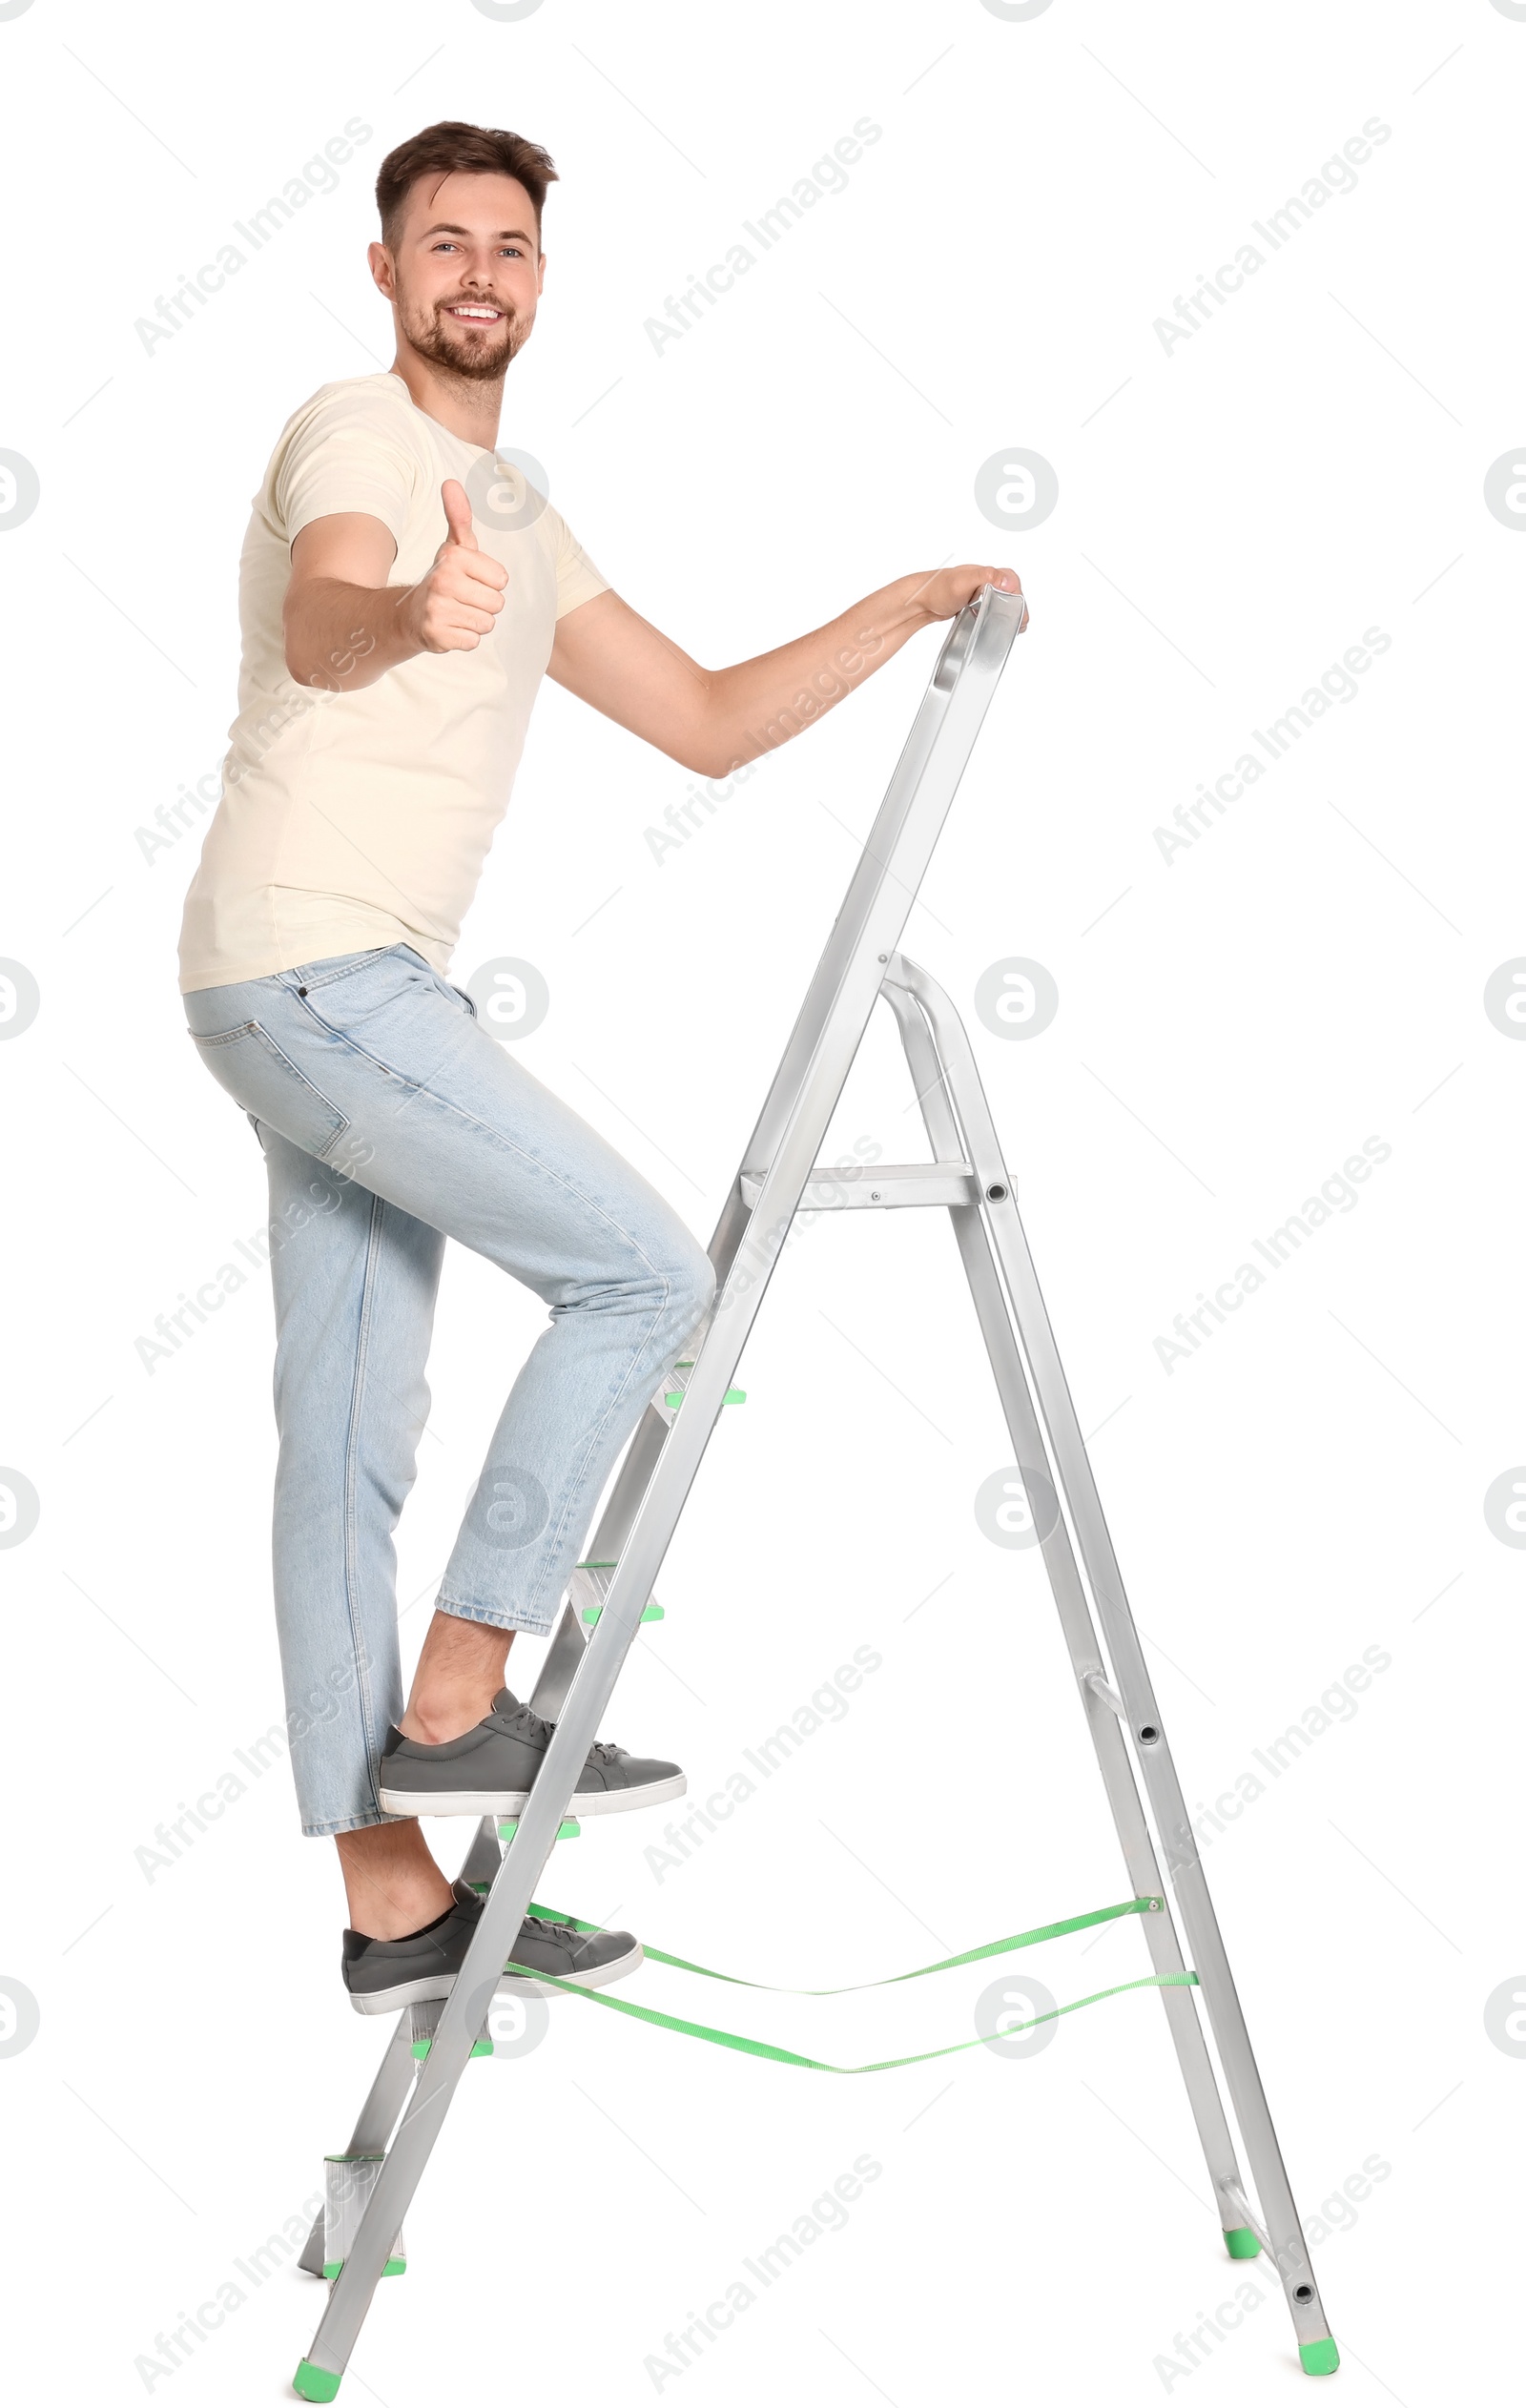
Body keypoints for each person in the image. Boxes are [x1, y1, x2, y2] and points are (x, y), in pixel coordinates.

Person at [177, 118, 1026, 2019]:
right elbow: (327, 610)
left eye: (509, 245)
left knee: (344, 1435)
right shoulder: (358, 439)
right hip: (322, 976)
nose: (476, 270)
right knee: (642, 1271)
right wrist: (405, 611)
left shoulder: (522, 516)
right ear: (383, 273)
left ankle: (392, 1900)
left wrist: (896, 609)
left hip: (286, 984)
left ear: (538, 284)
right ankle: (467, 1688)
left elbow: (711, 722)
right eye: (441, 242)